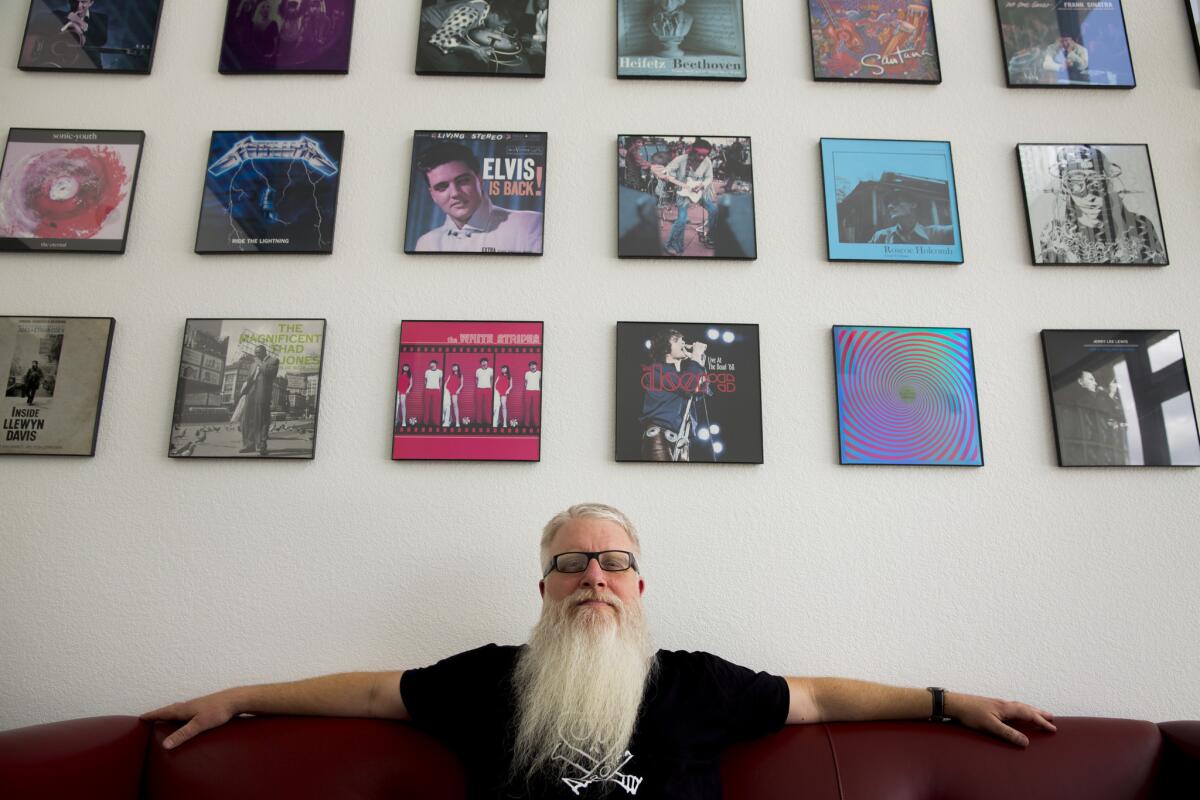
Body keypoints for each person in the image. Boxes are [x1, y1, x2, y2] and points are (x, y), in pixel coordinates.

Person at [143, 503, 1056, 799]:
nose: (593, 578)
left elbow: (816, 699)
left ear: (638, 587)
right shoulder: (487, 678)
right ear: (543, 588)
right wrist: (242, 695)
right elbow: (377, 695)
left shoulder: (697, 683)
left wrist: (946, 701)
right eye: (570, 564)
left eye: (613, 564)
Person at [1036, 145, 1166, 265]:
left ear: (1108, 184)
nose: (1089, 196)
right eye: (1076, 184)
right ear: (1065, 187)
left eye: (1097, 183)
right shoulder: (1052, 234)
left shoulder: (1140, 226)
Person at [412, 141, 543, 253]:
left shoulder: (529, 224)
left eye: (463, 181)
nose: (455, 193)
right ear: (432, 194)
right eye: (442, 187)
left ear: (479, 180)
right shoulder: (426, 243)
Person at [638, 329, 710, 461]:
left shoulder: (684, 374)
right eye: (677, 340)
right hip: (659, 439)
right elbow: (687, 385)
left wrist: (698, 360)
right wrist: (695, 357)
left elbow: (700, 391)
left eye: (683, 340)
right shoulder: (655, 371)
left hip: (682, 440)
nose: (683, 342)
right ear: (665, 349)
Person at [658, 138, 717, 256]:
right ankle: (672, 245)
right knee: (682, 219)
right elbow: (668, 170)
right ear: (693, 151)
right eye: (699, 155)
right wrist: (664, 174)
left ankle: (710, 237)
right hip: (683, 192)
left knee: (714, 211)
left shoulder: (707, 161)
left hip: (700, 192)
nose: (701, 158)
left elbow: (709, 177)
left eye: (704, 155)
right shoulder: (681, 159)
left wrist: (702, 185)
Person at [867, 188, 955, 246]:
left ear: (913, 204)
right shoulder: (880, 237)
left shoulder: (937, 234)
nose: (890, 206)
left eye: (896, 202)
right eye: (888, 204)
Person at [237, 345, 280, 456]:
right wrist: (243, 391)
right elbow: (249, 379)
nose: (256, 355)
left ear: (264, 352)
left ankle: (262, 446)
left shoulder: (273, 361)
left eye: (259, 352)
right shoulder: (253, 364)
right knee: (247, 419)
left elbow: (270, 373)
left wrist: (259, 363)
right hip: (251, 394)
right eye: (255, 353)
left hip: (263, 394)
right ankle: (249, 445)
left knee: (262, 420)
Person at [422, 359, 443, 427]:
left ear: (436, 364)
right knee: (426, 406)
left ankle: (436, 421)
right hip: (428, 389)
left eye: (433, 363)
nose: (431, 364)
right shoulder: (427, 371)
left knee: (435, 406)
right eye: (430, 363)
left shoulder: (440, 371)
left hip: (436, 390)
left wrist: (439, 388)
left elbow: (440, 381)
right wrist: (426, 388)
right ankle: (425, 421)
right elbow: (425, 380)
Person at [474, 357, 493, 427]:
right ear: (480, 363)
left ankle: (488, 421)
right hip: (479, 389)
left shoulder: (491, 370)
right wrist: (478, 386)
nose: (484, 363)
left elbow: (491, 379)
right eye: (482, 362)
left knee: (488, 405)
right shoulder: (478, 370)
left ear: (487, 363)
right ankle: (478, 421)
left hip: (488, 389)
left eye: (485, 361)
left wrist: (490, 386)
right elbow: (476, 379)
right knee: (479, 405)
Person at [523, 360, 542, 428]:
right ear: (529, 367)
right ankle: (526, 424)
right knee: (527, 408)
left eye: (534, 365)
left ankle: (536, 424)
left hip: (536, 391)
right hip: (528, 391)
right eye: (531, 365)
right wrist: (528, 388)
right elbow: (525, 382)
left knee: (535, 408)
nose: (532, 366)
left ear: (536, 366)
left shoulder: (540, 373)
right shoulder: (527, 373)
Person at [396, 363, 414, 428]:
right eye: (404, 367)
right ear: (403, 367)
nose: (406, 368)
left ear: (408, 368)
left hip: (404, 390)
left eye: (407, 367)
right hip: (398, 390)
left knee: (403, 404)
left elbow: (411, 384)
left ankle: (403, 421)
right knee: (397, 405)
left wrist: (408, 390)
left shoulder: (410, 375)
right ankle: (397, 419)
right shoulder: (399, 373)